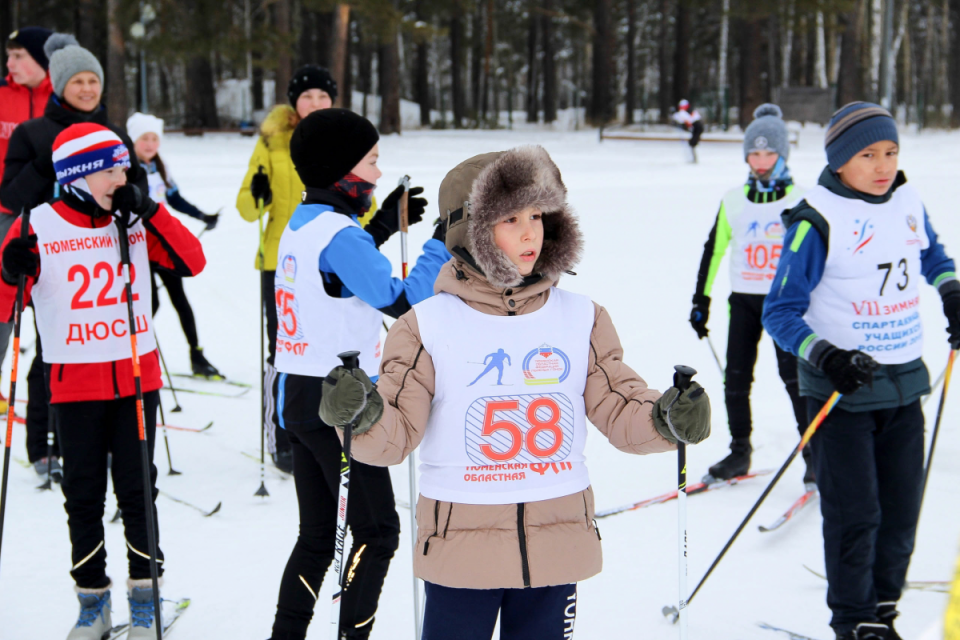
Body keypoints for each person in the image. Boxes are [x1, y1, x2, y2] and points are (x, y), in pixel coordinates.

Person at [317, 145, 712, 640]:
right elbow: (394, 435)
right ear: (471, 231)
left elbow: (617, 404)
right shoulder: (426, 325)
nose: (530, 232)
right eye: (509, 218)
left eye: (537, 215)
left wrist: (666, 418)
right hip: (461, 548)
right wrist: (362, 414)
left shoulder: (581, 318)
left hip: (557, 541)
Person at [763, 102, 960, 640]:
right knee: (857, 514)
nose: (882, 165)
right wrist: (826, 356)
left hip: (902, 386)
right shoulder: (816, 217)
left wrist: (952, 294)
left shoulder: (907, 200)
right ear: (840, 161)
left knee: (900, 514)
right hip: (840, 392)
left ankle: (883, 612)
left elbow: (934, 257)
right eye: (867, 154)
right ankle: (853, 620)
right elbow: (779, 311)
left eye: (891, 152)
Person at [0, 122, 205, 638]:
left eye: (123, 166)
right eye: (111, 169)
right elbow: (9, 306)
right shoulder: (38, 224)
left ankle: (145, 595)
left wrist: (153, 211)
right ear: (78, 176)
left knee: (138, 491)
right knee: (84, 493)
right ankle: (92, 601)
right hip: (73, 384)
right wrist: (8, 271)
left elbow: (191, 262)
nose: (123, 175)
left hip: (137, 381)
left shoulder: (135, 221)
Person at [267, 108, 448, 640]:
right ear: (343, 171)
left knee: (320, 536)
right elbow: (404, 300)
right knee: (376, 532)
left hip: (299, 396)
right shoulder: (341, 235)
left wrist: (385, 225)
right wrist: (440, 241)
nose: (376, 173)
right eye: (371, 162)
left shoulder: (304, 223)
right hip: (341, 403)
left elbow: (342, 277)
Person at [236, 65, 423, 473]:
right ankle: (281, 435)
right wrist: (257, 193)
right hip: (284, 260)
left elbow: (347, 253)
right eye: (308, 97)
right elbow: (247, 209)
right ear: (294, 103)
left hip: (326, 249)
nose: (316, 103)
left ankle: (298, 432)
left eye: (323, 97)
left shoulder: (343, 135)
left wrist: (382, 225)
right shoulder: (273, 143)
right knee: (285, 348)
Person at [0, 34, 149, 483]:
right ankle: (45, 446)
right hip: (53, 254)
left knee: (111, 348)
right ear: (60, 84)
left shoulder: (115, 134)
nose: (87, 89)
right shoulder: (33, 133)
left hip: (108, 253)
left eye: (93, 81)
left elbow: (136, 189)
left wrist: (136, 200)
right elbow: (10, 197)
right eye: (78, 81)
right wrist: (47, 165)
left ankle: (96, 443)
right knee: (51, 351)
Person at [690, 103, 810, 485]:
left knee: (795, 380)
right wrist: (700, 300)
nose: (760, 161)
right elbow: (714, 251)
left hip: (785, 305)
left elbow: (816, 259)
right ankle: (739, 451)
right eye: (754, 153)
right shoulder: (733, 200)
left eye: (769, 152)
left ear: (782, 154)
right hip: (742, 302)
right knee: (736, 379)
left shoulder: (802, 200)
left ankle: (815, 452)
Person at [127, 111, 221, 378]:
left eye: (154, 138)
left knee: (180, 301)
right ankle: (130, 350)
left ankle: (197, 355)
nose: (150, 144)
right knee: (150, 304)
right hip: (138, 248)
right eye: (144, 138)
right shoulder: (127, 170)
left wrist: (203, 215)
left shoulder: (160, 167)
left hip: (163, 246)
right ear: (133, 141)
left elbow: (175, 200)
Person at [0, 27, 58, 416]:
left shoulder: (64, 96)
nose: (10, 64)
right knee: (4, 302)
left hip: (55, 217)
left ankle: (54, 390)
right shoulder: (2, 95)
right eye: (8, 56)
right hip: (6, 214)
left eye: (19, 55)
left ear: (41, 58)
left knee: (54, 301)